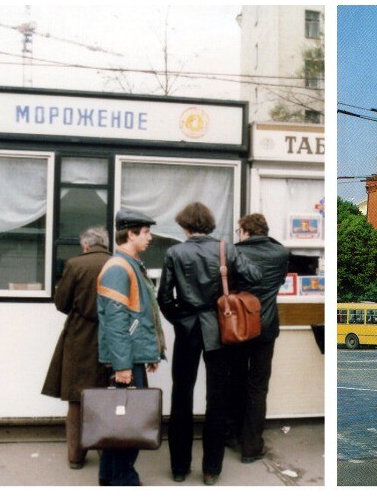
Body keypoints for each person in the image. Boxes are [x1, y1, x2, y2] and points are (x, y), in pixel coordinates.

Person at [157, 202, 260, 486]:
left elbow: (164, 296)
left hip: (187, 328)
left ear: (185, 225)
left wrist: (179, 318)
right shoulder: (225, 249)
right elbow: (255, 275)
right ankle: (211, 470)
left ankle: (179, 468)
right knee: (217, 400)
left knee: (181, 397)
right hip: (219, 329)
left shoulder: (175, 252)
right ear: (209, 224)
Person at [96, 210, 167, 488]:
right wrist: (123, 365)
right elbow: (116, 322)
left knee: (119, 421)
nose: (150, 237)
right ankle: (124, 481)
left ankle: (109, 476)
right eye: (145, 232)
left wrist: (148, 353)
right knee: (128, 425)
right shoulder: (118, 267)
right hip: (124, 361)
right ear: (131, 234)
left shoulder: (130, 264)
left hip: (130, 357)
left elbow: (140, 314)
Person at [42, 227, 112, 470]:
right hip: (111, 336)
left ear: (85, 245)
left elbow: (61, 303)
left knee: (76, 397)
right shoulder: (117, 263)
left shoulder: (75, 265)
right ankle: (106, 452)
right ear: (104, 243)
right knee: (105, 394)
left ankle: (76, 456)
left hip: (80, 335)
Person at [225, 214, 290, 463]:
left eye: (239, 231)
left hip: (238, 326)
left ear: (245, 231)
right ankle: (251, 447)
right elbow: (281, 281)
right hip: (266, 329)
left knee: (236, 380)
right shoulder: (281, 253)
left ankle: (233, 435)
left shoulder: (233, 253)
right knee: (258, 386)